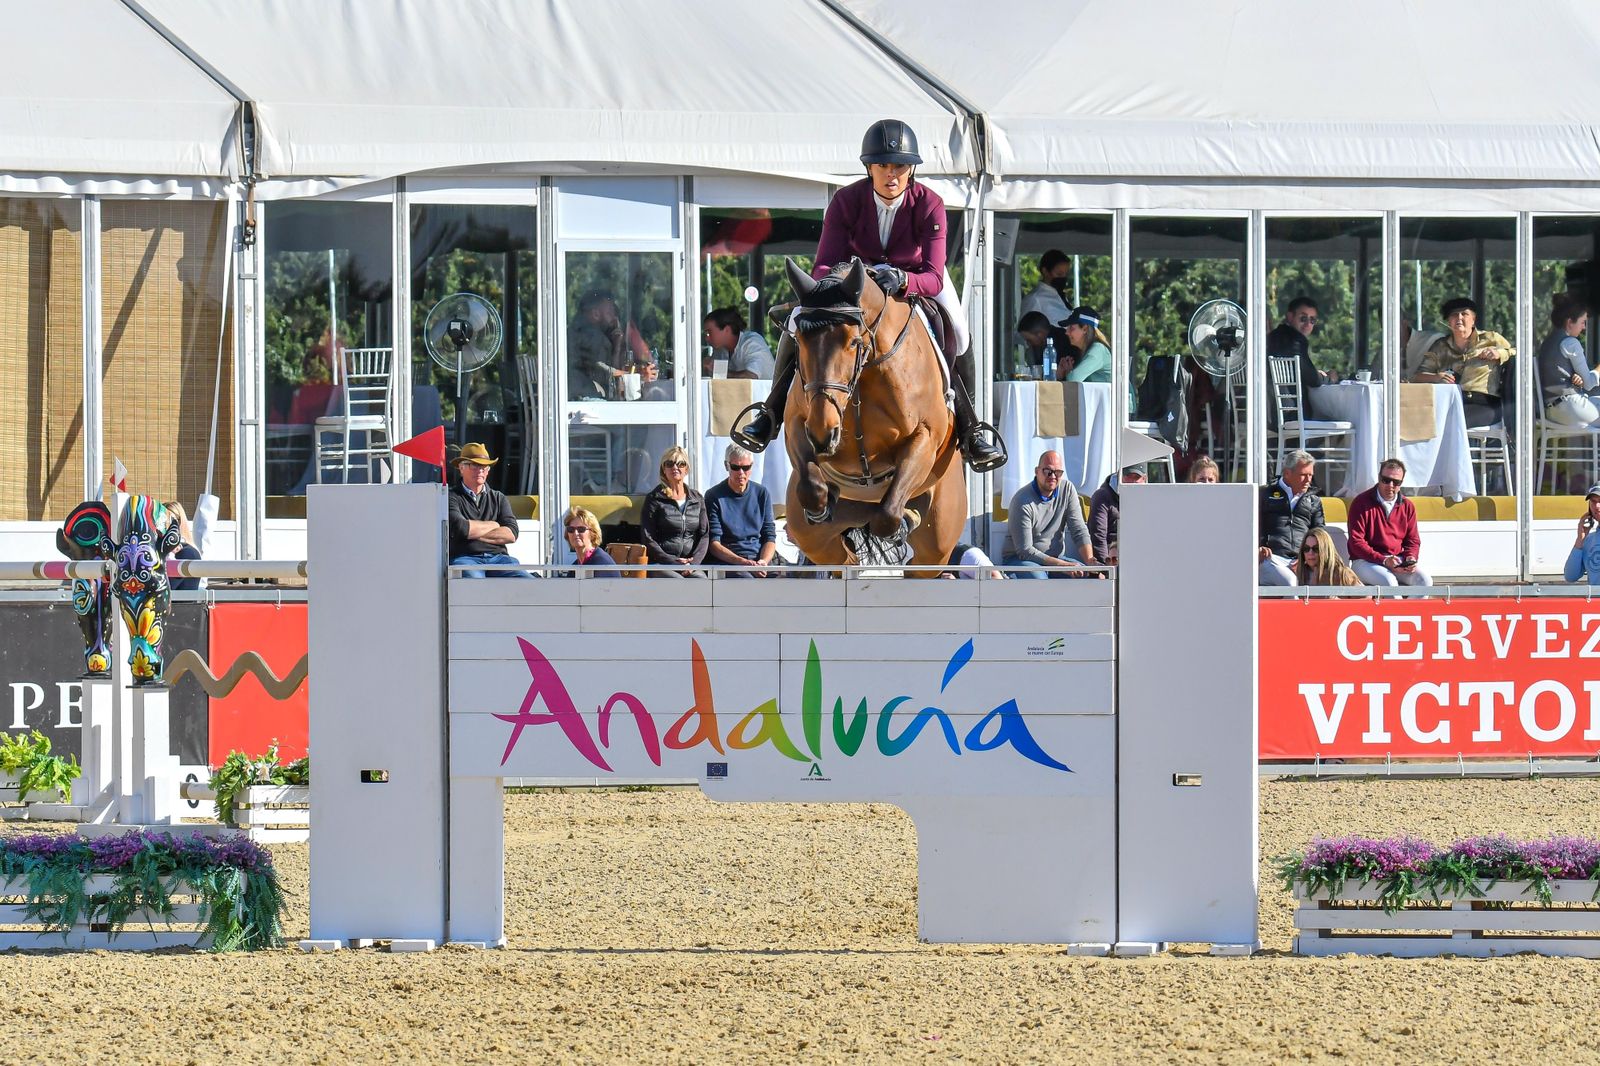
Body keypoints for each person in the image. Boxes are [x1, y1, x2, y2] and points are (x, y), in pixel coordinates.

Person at [734, 119, 1004, 472]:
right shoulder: (845, 201)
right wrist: (835, 284)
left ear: (911, 170)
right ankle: (770, 413)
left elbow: (935, 276)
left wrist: (904, 279)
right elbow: (823, 263)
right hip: (854, 282)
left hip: (915, 278)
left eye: (900, 166)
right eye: (882, 165)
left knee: (960, 331)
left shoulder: (930, 204)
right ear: (869, 168)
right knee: (799, 319)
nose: (891, 174)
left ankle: (970, 429)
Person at [1415, 297, 1514, 428]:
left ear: (1473, 320)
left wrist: (1500, 354)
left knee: (1448, 420)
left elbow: (1519, 353)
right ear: (1449, 321)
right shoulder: (1440, 346)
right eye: (1454, 315)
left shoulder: (1491, 338)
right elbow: (1418, 376)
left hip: (1485, 404)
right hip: (1450, 401)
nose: (1459, 318)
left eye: (1464, 314)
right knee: (1423, 418)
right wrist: (1436, 377)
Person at [1000, 450, 1096, 577]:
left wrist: (1090, 562)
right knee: (1039, 580)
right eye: (1047, 471)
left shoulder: (1067, 490)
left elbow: (1078, 529)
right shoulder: (1022, 501)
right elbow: (1025, 550)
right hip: (1021, 560)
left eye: (1058, 472)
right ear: (1037, 471)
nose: (1053, 476)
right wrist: (1061, 566)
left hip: (1055, 559)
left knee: (1088, 576)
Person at [448, 443, 533, 578]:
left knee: (528, 582)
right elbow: (460, 528)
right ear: (461, 468)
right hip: (466, 558)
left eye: (484, 466)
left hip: (499, 559)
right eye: (474, 465)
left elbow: (512, 534)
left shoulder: (498, 498)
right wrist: (495, 525)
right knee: (475, 584)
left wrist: (471, 532)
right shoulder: (451, 497)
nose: (480, 470)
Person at [1346, 458, 1432, 587]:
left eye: (1396, 482)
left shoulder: (1407, 506)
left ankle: (1408, 603)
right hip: (1364, 561)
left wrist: (1410, 558)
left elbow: (1413, 541)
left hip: (1397, 559)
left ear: (1401, 483)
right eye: (1386, 480)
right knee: (1389, 582)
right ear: (1379, 478)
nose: (1390, 485)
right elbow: (1356, 542)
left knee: (1425, 581)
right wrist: (1384, 560)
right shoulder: (1361, 502)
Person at [704, 444, 778, 576]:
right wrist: (743, 562)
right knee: (746, 581)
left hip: (758, 558)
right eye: (735, 467)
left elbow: (769, 536)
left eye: (746, 467)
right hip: (729, 561)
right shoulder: (713, 496)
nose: (741, 473)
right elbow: (714, 544)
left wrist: (763, 562)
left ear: (752, 466)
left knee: (785, 579)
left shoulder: (762, 493)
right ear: (727, 466)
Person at [1258, 450, 1325, 586]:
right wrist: (1258, 547)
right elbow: (1249, 524)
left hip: (1304, 560)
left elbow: (1319, 533)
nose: (1308, 480)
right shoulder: (1264, 494)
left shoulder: (1313, 500)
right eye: (1303, 475)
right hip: (1271, 558)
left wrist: (1305, 558)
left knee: (1333, 579)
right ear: (1287, 473)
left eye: (1310, 475)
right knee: (1291, 582)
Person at [640, 445, 708, 577]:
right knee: (676, 582)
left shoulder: (697, 499)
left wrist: (694, 563)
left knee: (701, 580)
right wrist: (673, 562)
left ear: (686, 469)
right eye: (669, 464)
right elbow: (648, 538)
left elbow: (704, 535)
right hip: (662, 563)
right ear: (664, 469)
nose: (675, 467)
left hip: (690, 563)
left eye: (680, 464)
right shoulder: (654, 498)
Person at [1266, 296, 1337, 417]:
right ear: (1290, 316)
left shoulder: (1272, 337)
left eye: (1312, 320)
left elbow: (1301, 370)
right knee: (1337, 418)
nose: (1308, 324)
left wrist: (1316, 373)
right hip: (1290, 412)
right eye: (1303, 318)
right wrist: (1329, 378)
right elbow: (1312, 379)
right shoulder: (1295, 341)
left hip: (1266, 410)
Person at [1538, 293, 1599, 428]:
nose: (1584, 327)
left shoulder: (1548, 342)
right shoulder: (1570, 343)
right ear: (1570, 322)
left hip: (1552, 410)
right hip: (1570, 409)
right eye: (1582, 322)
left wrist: (1576, 378)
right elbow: (1589, 384)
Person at [568, 291, 630, 400]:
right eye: (610, 313)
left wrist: (616, 347)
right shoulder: (594, 338)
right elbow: (608, 377)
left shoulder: (573, 334)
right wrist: (636, 376)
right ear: (596, 314)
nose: (615, 319)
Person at [1088, 464, 1146, 564]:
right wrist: (1105, 567)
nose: (1132, 481)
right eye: (1128, 476)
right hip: (1112, 558)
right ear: (1119, 476)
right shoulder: (1102, 496)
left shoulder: (1149, 498)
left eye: (1137, 477)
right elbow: (1098, 536)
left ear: (1145, 479)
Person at [702, 308, 775, 379]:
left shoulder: (751, 342)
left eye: (709, 333)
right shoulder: (720, 350)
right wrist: (708, 369)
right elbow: (717, 377)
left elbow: (751, 376)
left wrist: (718, 371)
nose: (707, 338)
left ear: (727, 330)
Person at [1294, 526, 1361, 587]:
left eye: (1316, 549)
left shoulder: (1343, 574)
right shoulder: (1297, 573)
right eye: (1306, 548)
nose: (1310, 553)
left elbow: (1365, 595)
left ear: (1326, 550)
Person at [1019, 249, 1073, 325]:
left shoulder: (1061, 296)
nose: (1063, 277)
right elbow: (1024, 330)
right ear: (1045, 271)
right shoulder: (1035, 299)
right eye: (1059, 274)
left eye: (1066, 274)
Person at [562, 505, 618, 578]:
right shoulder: (575, 568)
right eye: (571, 529)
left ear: (592, 533)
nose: (575, 533)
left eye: (581, 529)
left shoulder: (601, 563)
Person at [1014, 311, 1071, 378]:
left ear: (1040, 334)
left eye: (1029, 340)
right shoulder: (1037, 347)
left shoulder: (1064, 341)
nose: (1028, 343)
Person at [1063, 306, 1112, 384]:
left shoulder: (1098, 349)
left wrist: (1068, 372)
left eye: (1071, 328)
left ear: (1085, 329)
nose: (1066, 332)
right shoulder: (1091, 349)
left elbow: (1073, 380)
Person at [1564, 484, 1600, 585]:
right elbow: (1570, 576)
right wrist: (1580, 540)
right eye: (1593, 501)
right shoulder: (1588, 540)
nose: (1597, 506)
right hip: (1594, 596)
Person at [162, 501, 201, 592]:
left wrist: (170, 554)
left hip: (180, 601)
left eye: (165, 522)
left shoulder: (186, 552)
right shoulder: (165, 549)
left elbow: (166, 587)